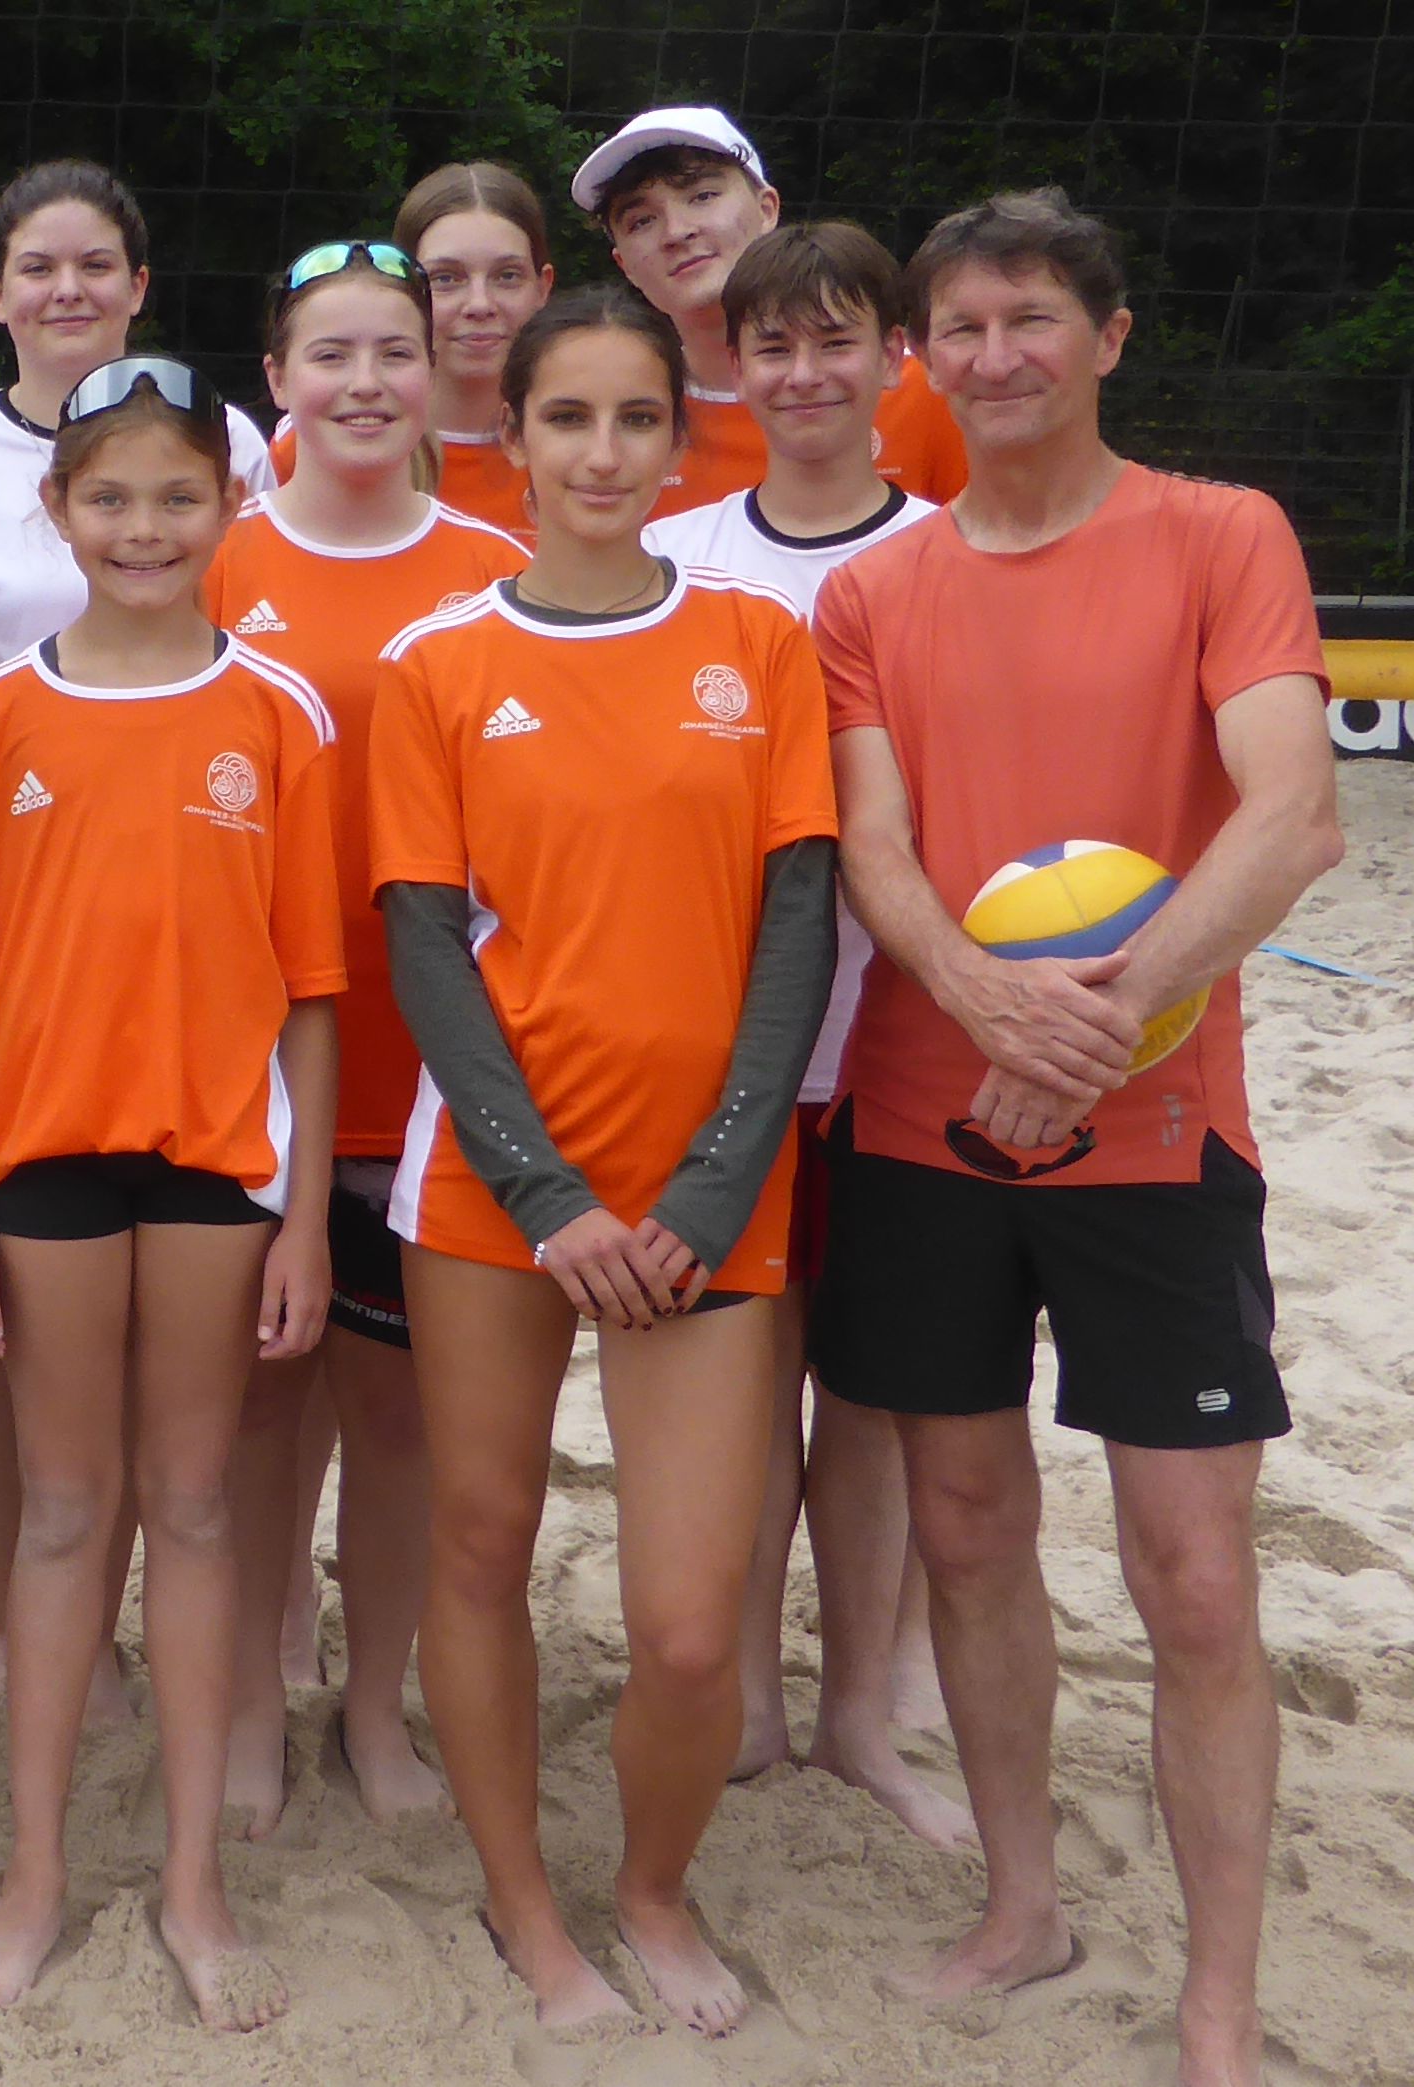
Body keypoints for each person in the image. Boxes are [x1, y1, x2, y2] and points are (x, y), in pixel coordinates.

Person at [811, 188, 1338, 2087]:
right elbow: (874, 852)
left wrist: (1096, 1022)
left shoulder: (1217, 533)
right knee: (964, 1531)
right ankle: (1020, 1902)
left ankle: (1214, 2002)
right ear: (917, 360)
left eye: (1029, 317)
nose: (993, 355)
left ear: (1105, 337)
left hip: (1158, 1131)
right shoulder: (871, 589)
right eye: (957, 327)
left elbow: (1288, 815)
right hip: (921, 1123)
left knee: (1190, 1575)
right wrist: (983, 1006)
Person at [370, 283, 838, 2036]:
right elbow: (424, 946)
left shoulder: (755, 643)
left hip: (705, 1194)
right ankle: (520, 1898)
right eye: (563, 416)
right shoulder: (436, 662)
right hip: (496, 1191)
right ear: (507, 435)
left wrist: (703, 1190)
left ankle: (648, 1884)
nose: (599, 451)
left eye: (634, 416)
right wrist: (547, 1196)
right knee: (479, 1537)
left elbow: (796, 928)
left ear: (676, 435)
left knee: (691, 1624)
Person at [0, 355, 341, 2032]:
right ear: (55, 511)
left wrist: (303, 1215)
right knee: (56, 1509)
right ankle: (33, 1871)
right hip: (39, 1160)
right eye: (107, 495)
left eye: (177, 494)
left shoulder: (276, 710)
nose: (143, 525)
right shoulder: (0, 713)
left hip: (214, 1167)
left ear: (230, 505)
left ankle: (188, 1882)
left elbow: (309, 991)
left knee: (191, 1504)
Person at [0, 157, 275, 1715]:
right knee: (12, 1313)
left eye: (93, 263)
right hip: (1, 861)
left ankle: (186, 1621)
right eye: (35, 265)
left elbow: (242, 646)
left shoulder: (224, 440)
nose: (65, 288)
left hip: (180, 865)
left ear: (136, 285)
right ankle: (13, 1614)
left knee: (169, 1325)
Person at [642, 219, 963, 1844]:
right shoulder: (681, 552)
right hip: (728, 1047)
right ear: (732, 363)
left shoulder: (952, 550)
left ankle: (857, 1711)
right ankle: (752, 1697)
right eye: (771, 344)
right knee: (739, 1386)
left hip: (901, 1034)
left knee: (875, 1394)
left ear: (892, 356)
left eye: (835, 339)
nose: (803, 371)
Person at [204, 238, 525, 1838]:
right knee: (259, 1406)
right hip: (255, 1057)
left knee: (399, 1416)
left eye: (393, 351)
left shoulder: (495, 562)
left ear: (437, 371)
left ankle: (374, 1702)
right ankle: (256, 1695)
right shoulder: (208, 560)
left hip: (429, 1065)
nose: (362, 382)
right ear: (275, 380)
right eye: (327, 354)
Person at [571, 106, 965, 516]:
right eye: (641, 221)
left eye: (702, 196)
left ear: (767, 209)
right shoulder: (616, 420)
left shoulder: (926, 390)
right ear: (623, 264)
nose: (677, 231)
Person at [265, 164, 549, 537]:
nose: (480, 304)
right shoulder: (314, 442)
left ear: (543, 287)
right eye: (446, 278)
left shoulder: (583, 443)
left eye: (507, 276)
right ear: (407, 295)